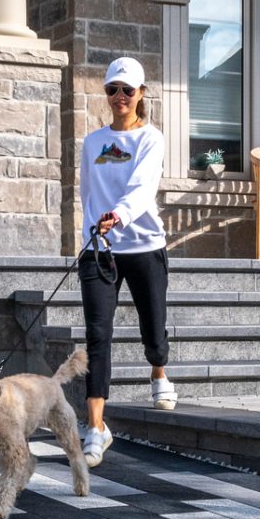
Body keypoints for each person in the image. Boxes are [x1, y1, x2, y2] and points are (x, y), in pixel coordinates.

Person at [78, 56, 177, 468]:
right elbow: (86, 193)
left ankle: (159, 371)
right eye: (112, 90)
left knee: (152, 329)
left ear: (141, 94)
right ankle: (96, 427)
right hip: (100, 250)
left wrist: (118, 215)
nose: (119, 97)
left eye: (127, 90)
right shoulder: (91, 142)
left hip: (143, 244)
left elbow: (141, 188)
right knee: (98, 336)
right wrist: (89, 237)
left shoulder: (150, 138)